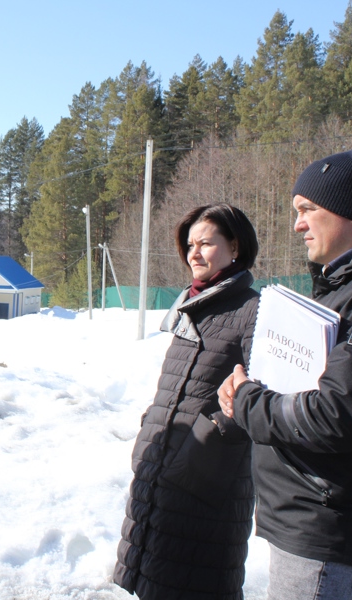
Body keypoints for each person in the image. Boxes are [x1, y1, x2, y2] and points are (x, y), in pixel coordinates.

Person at [218, 142, 352, 600]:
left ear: (347, 211)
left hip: (329, 525)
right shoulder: (351, 289)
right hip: (306, 517)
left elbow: (339, 416)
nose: (297, 223)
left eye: (307, 209)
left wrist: (248, 402)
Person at [114, 204, 260, 599]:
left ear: (235, 245)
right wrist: (152, 430)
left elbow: (260, 394)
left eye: (206, 243)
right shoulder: (191, 305)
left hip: (204, 484)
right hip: (159, 473)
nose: (194, 253)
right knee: (153, 582)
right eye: (190, 244)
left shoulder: (253, 311)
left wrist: (203, 442)